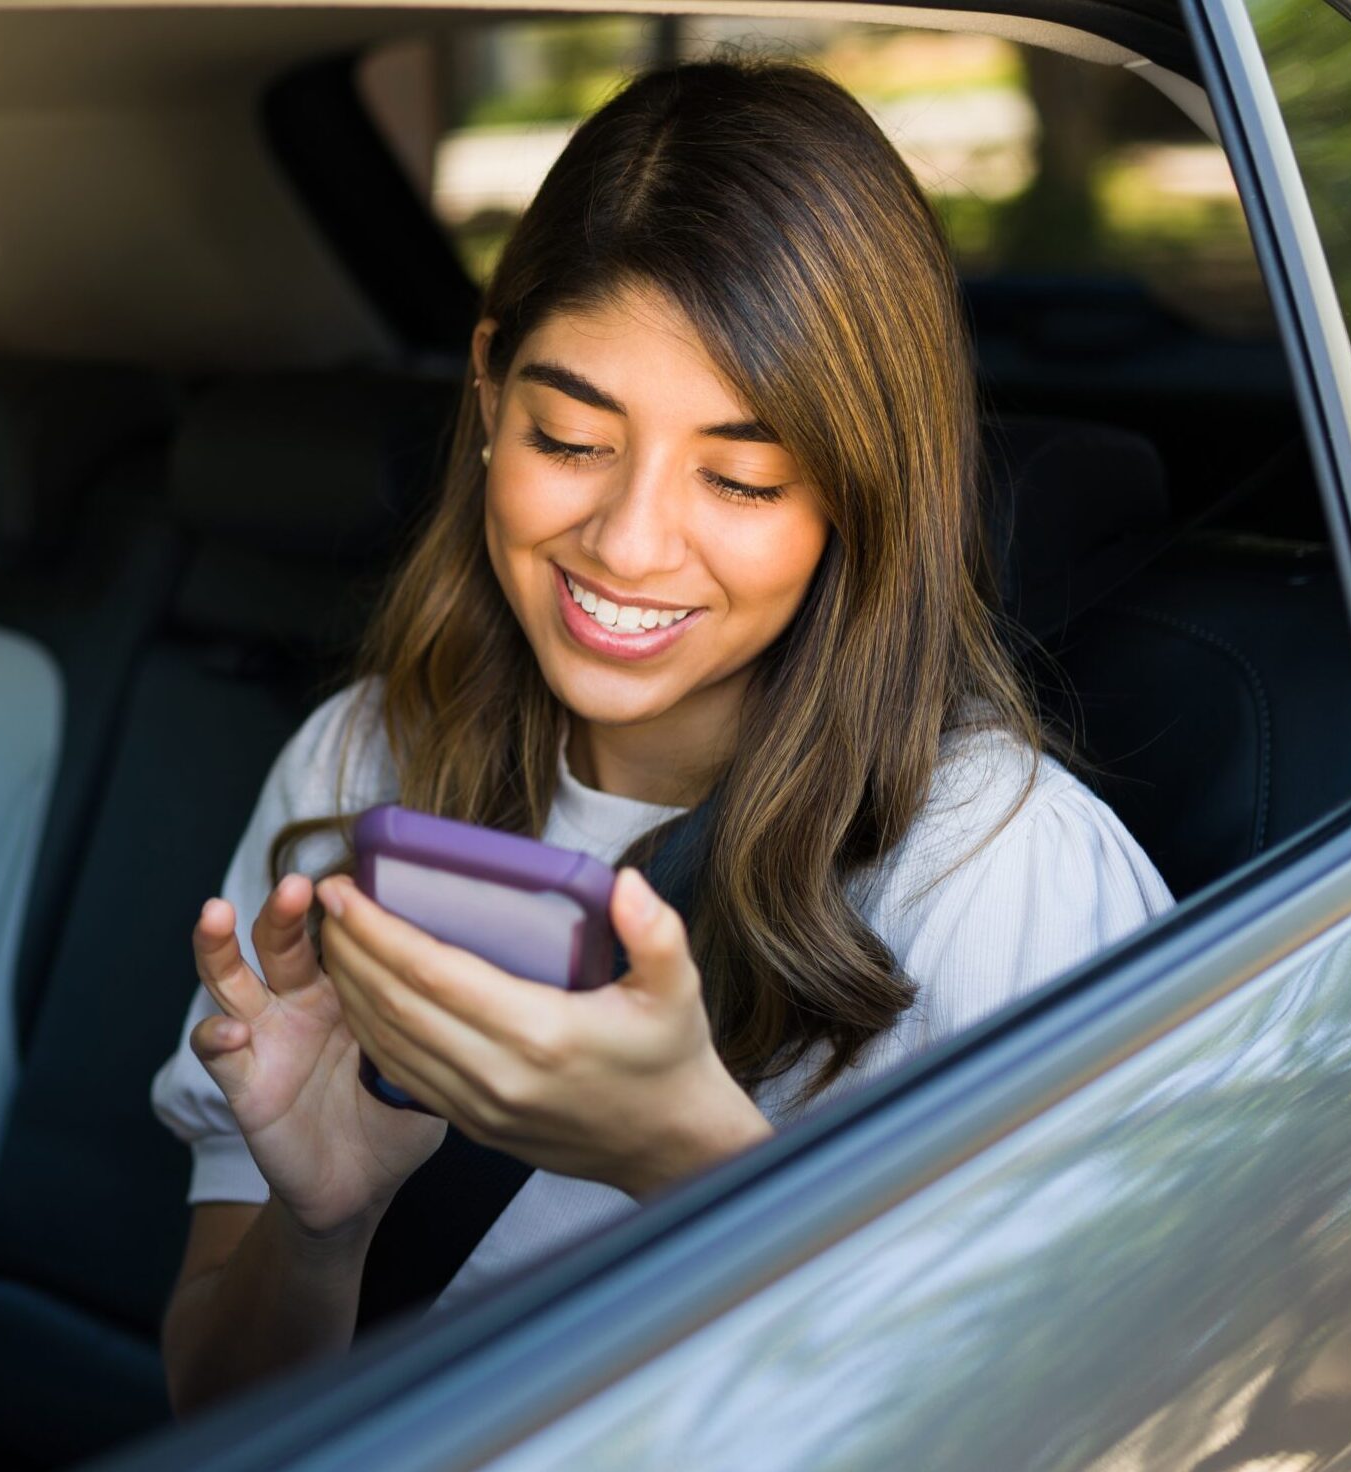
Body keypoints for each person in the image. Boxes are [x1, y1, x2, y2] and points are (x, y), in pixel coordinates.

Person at [150, 58, 1172, 1410]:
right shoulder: (361, 765)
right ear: (487, 390)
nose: (627, 545)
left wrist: (680, 1157)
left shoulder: (995, 872)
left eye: (741, 476)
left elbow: (1084, 1417)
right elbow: (215, 1412)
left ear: (861, 491)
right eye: (569, 439)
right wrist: (323, 1227)